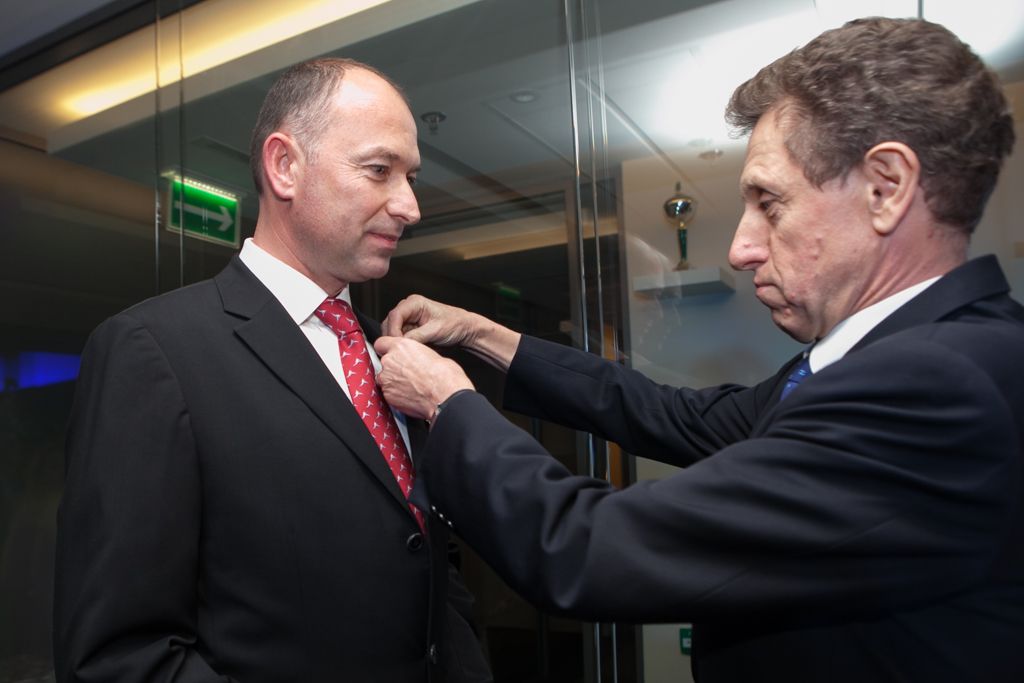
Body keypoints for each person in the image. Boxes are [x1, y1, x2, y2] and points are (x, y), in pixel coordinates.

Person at [372, 17, 1023, 682]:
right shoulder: (897, 356)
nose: (741, 249)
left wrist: (449, 402)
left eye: (769, 202)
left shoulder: (938, 385)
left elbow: (589, 550)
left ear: (886, 186)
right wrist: (480, 333)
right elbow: (672, 415)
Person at [54, 58, 491, 683]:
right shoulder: (154, 351)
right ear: (284, 165)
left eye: (411, 177)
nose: (410, 206)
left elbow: (426, 562)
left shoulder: (392, 354)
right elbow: (120, 657)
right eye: (379, 170)